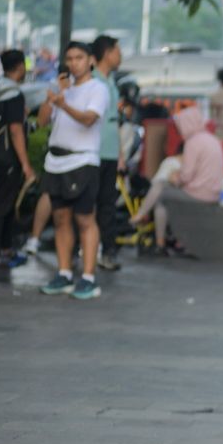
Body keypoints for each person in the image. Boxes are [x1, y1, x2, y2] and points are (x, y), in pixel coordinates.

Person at [37, 41, 111, 300]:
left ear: (90, 60)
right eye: (69, 58)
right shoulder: (63, 89)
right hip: (56, 161)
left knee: (84, 219)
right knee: (60, 219)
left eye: (79, 57)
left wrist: (64, 104)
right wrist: (56, 96)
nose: (74, 63)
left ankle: (88, 277)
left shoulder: (98, 89)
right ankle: (65, 272)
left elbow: (89, 120)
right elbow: (41, 121)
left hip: (83, 162)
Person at [128, 106, 223, 252]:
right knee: (162, 189)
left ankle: (157, 240)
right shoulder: (212, 139)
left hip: (198, 194)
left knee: (161, 194)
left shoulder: (193, 142)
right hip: (214, 193)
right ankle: (144, 217)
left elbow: (186, 176)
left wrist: (175, 177)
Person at [0, 49, 34, 271]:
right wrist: (25, 164)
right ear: (20, 66)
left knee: (3, 202)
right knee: (1, 205)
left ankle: (4, 249)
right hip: (7, 156)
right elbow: (15, 130)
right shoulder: (13, 93)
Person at [91, 35, 124, 272]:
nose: (120, 56)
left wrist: (120, 153)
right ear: (107, 53)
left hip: (110, 151)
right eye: (117, 51)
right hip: (93, 151)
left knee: (107, 203)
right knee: (89, 204)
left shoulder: (110, 80)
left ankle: (107, 251)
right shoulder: (92, 82)